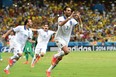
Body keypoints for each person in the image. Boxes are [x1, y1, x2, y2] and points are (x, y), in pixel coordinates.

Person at [46, 6, 81, 77]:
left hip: (66, 40)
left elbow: (79, 26)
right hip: (59, 38)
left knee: (59, 59)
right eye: (68, 10)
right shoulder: (61, 18)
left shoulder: (72, 20)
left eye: (70, 10)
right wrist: (69, 18)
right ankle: (55, 55)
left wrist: (79, 17)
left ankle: (49, 70)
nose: (69, 12)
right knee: (67, 51)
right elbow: (60, 24)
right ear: (64, 11)